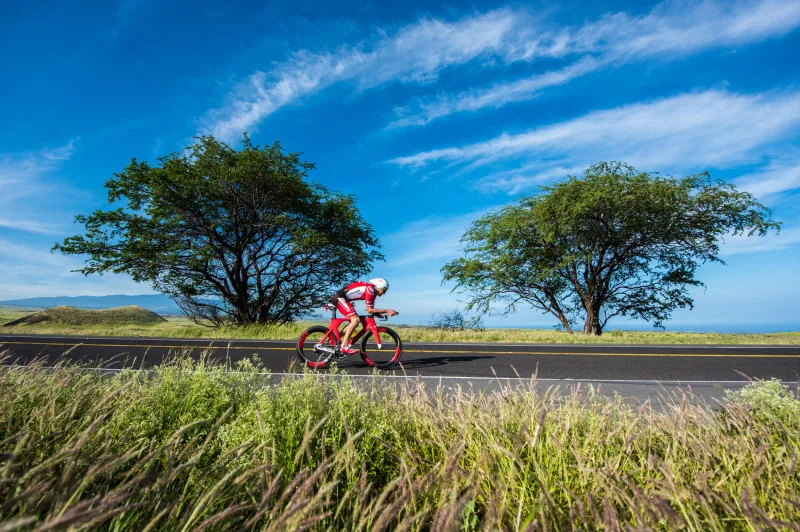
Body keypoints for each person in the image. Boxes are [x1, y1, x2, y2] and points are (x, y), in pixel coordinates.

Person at [331, 278, 397, 355]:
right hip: (340, 298)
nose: (385, 293)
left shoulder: (372, 291)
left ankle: (335, 339)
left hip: (342, 298)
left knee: (354, 322)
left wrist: (379, 314)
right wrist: (387, 310)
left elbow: (371, 309)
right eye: (385, 290)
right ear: (379, 287)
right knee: (356, 320)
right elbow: (370, 310)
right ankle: (344, 346)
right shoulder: (370, 290)